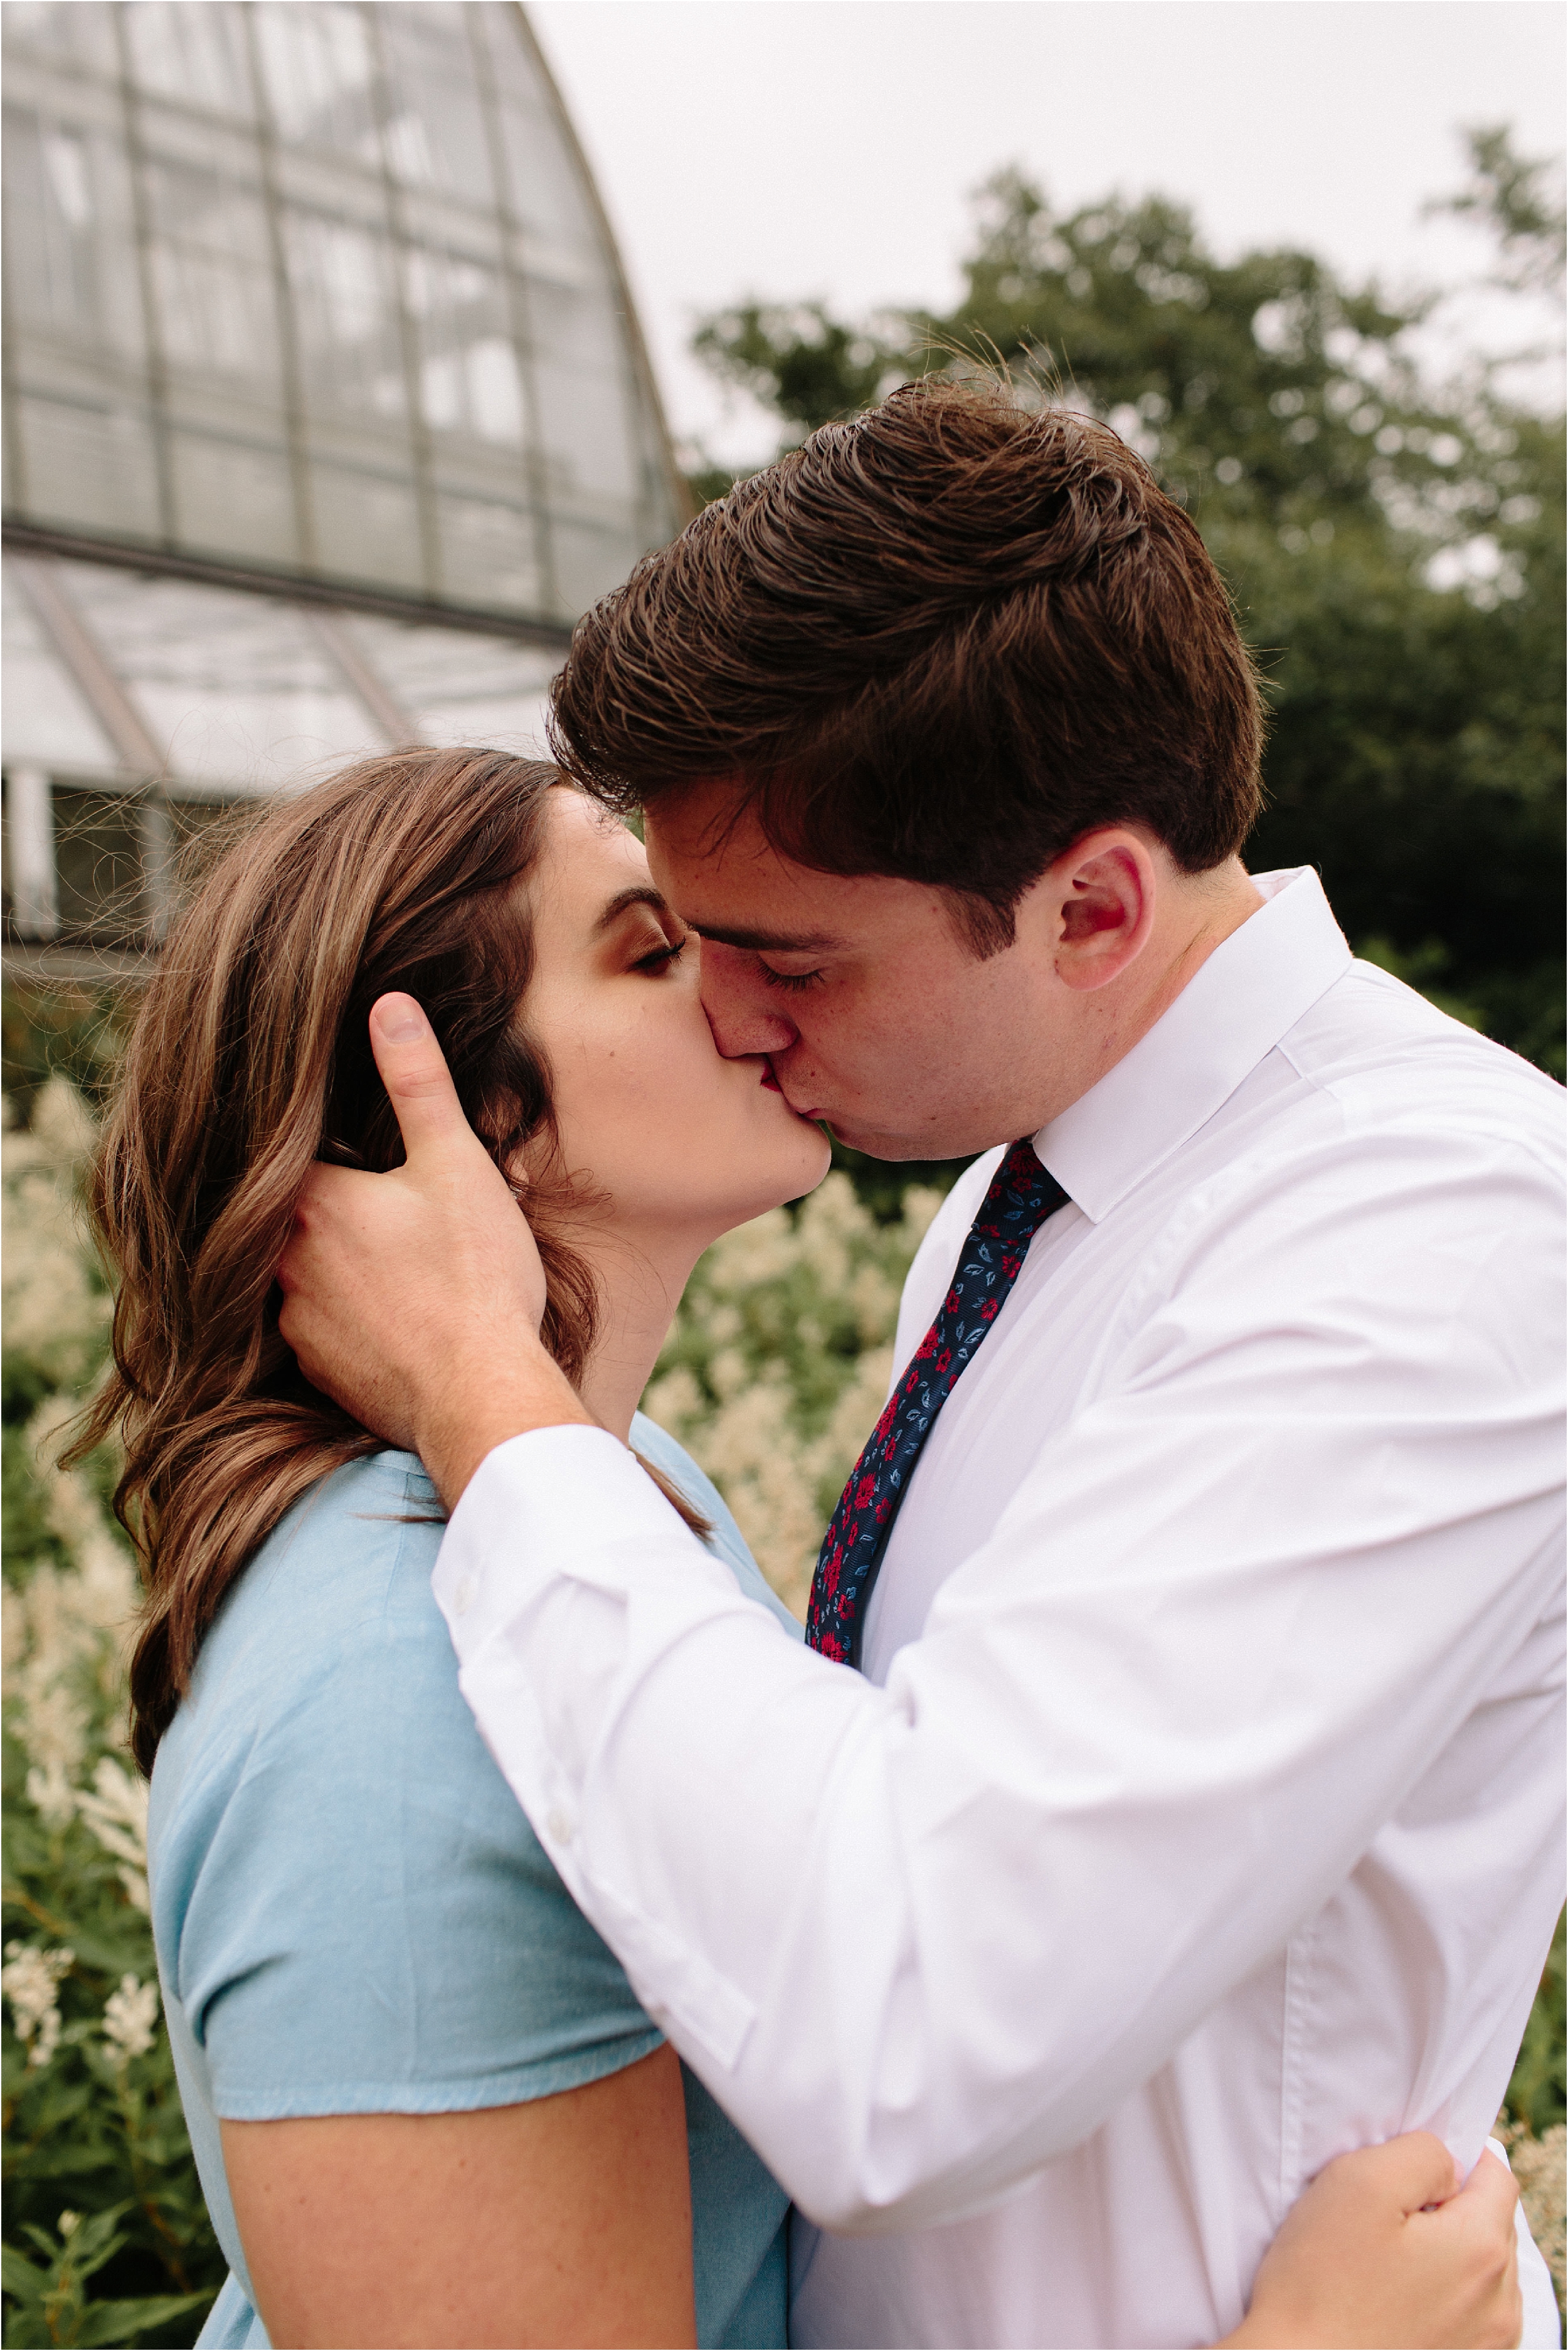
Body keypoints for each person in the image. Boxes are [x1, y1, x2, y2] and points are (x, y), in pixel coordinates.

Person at [277, 381, 1567, 2350]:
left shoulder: (1443, 1230)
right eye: (680, 943)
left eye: (788, 960)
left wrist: (488, 1399)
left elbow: (912, 2025)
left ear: (1090, 905)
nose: (727, 1020)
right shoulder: (1011, 1194)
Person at [83, 748, 1520, 2351]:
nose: (744, 985)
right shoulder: (389, 1692)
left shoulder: (615, 1489)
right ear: (463, 1121)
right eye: (650, 946)